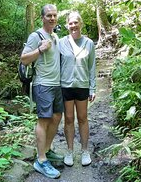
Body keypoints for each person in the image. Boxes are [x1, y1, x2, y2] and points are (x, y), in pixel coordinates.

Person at [20, 4, 64, 179]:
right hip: (42, 84)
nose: (52, 18)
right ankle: (41, 160)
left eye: (54, 15)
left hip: (56, 84)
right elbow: (23, 60)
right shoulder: (35, 36)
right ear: (42, 18)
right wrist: (39, 50)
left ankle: (46, 149)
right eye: (48, 16)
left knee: (57, 116)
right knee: (44, 119)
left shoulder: (55, 36)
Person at [59, 11, 96, 167]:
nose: (73, 25)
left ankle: (85, 151)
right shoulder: (60, 42)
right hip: (65, 85)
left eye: (76, 22)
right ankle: (69, 151)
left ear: (81, 23)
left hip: (82, 85)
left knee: (82, 118)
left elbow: (92, 66)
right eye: (70, 23)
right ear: (67, 25)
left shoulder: (89, 43)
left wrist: (92, 88)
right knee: (68, 119)